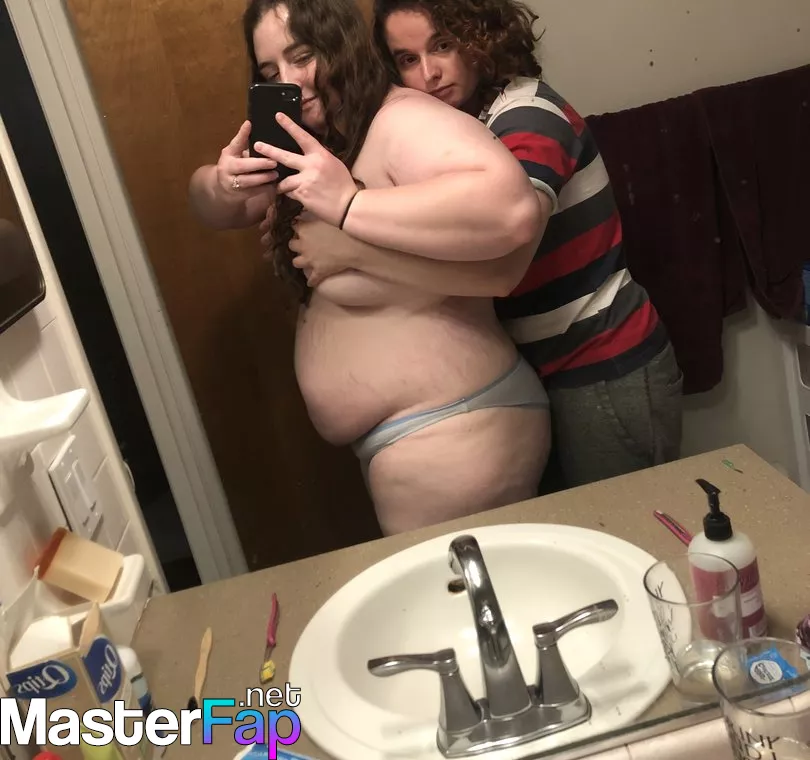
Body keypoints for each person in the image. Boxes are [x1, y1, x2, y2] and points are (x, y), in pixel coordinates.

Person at [284, 0, 684, 489]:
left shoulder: (525, 118)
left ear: (479, 37)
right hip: (550, 368)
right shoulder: (456, 124)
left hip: (602, 367)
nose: (429, 73)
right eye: (407, 59)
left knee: (619, 526)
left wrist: (351, 249)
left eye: (442, 46)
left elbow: (502, 272)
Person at [188, 0, 552, 535]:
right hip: (417, 435)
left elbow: (511, 209)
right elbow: (212, 209)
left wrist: (348, 206)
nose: (288, 80)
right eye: (270, 71)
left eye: (302, 56)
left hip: (456, 426)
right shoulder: (317, 141)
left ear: (340, 45)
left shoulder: (399, 119)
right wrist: (221, 183)